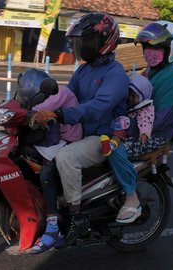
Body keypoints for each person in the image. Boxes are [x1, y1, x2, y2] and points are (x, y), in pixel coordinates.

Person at [30, 12, 129, 247]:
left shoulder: (116, 74)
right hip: (80, 132)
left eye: (86, 41)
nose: (81, 47)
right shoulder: (83, 71)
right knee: (35, 152)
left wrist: (61, 115)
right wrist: (36, 102)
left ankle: (76, 216)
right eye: (80, 42)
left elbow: (97, 108)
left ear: (104, 42)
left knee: (65, 158)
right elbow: (66, 95)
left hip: (102, 136)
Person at [15, 69, 83, 254]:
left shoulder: (58, 93)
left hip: (68, 140)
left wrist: (19, 113)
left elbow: (37, 111)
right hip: (52, 138)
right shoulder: (40, 94)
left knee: (46, 173)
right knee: (22, 154)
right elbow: (23, 105)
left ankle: (53, 227)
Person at [132, 21, 173, 155]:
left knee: (114, 151)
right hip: (140, 127)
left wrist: (125, 125)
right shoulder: (150, 72)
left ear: (171, 49)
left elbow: (157, 122)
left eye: (157, 48)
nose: (149, 52)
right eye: (146, 46)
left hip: (156, 135)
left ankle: (127, 177)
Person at [100, 74, 154, 223]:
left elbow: (146, 121)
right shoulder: (129, 106)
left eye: (134, 96)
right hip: (122, 132)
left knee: (117, 145)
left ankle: (131, 194)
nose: (130, 99)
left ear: (142, 96)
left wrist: (144, 133)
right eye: (128, 95)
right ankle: (111, 144)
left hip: (131, 136)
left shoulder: (146, 107)